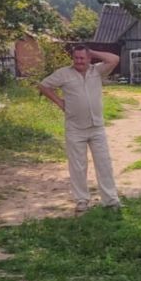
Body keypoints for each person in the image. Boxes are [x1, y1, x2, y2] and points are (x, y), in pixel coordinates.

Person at [38, 45, 121, 211]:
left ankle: (110, 200)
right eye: (76, 58)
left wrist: (93, 52)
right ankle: (81, 200)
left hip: (97, 127)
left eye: (82, 58)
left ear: (89, 58)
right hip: (75, 128)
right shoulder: (64, 73)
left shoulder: (97, 71)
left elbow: (114, 59)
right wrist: (60, 102)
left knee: (104, 164)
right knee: (78, 166)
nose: (79, 61)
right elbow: (44, 85)